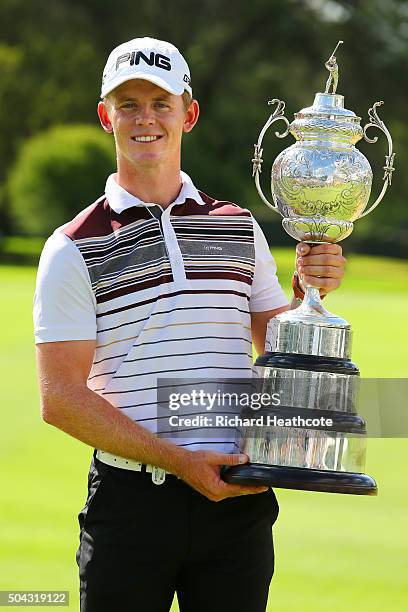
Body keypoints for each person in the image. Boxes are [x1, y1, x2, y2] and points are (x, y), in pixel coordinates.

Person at [33, 37, 346, 612]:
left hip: (238, 504)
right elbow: (60, 399)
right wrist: (179, 462)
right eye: (128, 104)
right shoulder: (72, 247)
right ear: (106, 117)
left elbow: (277, 342)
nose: (144, 118)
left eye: (161, 102)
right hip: (132, 506)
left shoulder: (238, 225)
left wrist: (309, 294)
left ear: (189, 113)